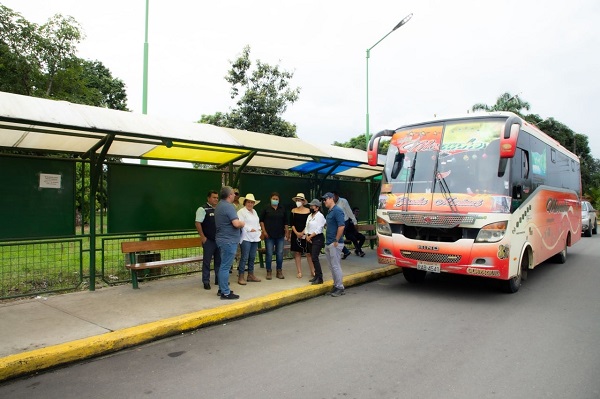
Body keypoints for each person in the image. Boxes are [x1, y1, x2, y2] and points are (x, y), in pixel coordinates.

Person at [215, 186, 245, 300]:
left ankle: (222, 289)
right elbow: (236, 224)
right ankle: (225, 293)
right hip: (229, 241)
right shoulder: (229, 207)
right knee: (225, 267)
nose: (234, 195)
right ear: (229, 195)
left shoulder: (219, 205)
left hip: (222, 239)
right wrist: (242, 223)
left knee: (224, 266)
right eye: (233, 193)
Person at [259, 192, 290, 280]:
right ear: (270, 199)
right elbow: (261, 221)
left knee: (279, 253)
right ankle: (269, 271)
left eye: (277, 199)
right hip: (269, 235)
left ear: (279, 200)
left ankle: (279, 271)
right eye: (273, 198)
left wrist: (287, 231)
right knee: (269, 253)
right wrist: (264, 231)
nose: (275, 200)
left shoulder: (282, 208)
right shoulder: (266, 208)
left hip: (280, 235)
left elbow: (286, 221)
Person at [195, 190, 221, 290]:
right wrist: (203, 237)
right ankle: (206, 281)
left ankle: (218, 279)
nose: (216, 199)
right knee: (207, 261)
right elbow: (198, 223)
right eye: (214, 197)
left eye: (217, 198)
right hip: (208, 240)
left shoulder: (218, 209)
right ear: (208, 198)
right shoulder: (202, 209)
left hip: (218, 239)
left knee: (218, 261)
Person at [322, 192, 346, 297]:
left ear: (331, 199)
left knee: (335, 266)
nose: (324, 201)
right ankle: (336, 285)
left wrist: (336, 240)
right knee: (332, 266)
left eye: (325, 199)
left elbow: (341, 226)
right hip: (329, 242)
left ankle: (340, 287)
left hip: (334, 243)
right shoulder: (330, 212)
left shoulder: (337, 211)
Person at [236, 193, 262, 285]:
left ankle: (250, 275)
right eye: (248, 202)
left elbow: (257, 223)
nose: (250, 204)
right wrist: (250, 229)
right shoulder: (241, 212)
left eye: (252, 202)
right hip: (245, 237)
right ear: (245, 202)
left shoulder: (254, 212)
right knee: (244, 257)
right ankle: (241, 276)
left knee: (252, 257)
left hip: (255, 237)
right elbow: (241, 223)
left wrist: (259, 229)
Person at [290, 193, 315, 279]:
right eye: (297, 200)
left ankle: (313, 271)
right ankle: (299, 272)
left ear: (303, 201)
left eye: (299, 200)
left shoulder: (308, 211)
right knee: (297, 253)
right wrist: (297, 233)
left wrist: (303, 232)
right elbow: (292, 224)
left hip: (306, 233)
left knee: (309, 253)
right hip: (295, 234)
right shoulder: (293, 211)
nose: (298, 202)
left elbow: (309, 223)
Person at [304, 199, 326, 285]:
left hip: (317, 238)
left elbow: (319, 229)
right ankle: (316, 276)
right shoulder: (310, 216)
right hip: (309, 238)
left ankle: (320, 277)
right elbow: (306, 226)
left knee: (314, 257)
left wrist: (310, 236)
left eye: (312, 206)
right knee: (312, 257)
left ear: (317, 208)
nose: (310, 207)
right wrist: (306, 235)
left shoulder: (320, 216)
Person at [333, 191, 358, 259]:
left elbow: (349, 211)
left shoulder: (343, 201)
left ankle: (344, 251)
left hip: (344, 222)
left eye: (334, 196)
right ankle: (345, 251)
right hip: (336, 223)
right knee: (336, 238)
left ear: (337, 195)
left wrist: (354, 221)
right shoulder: (332, 203)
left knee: (336, 237)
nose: (333, 198)